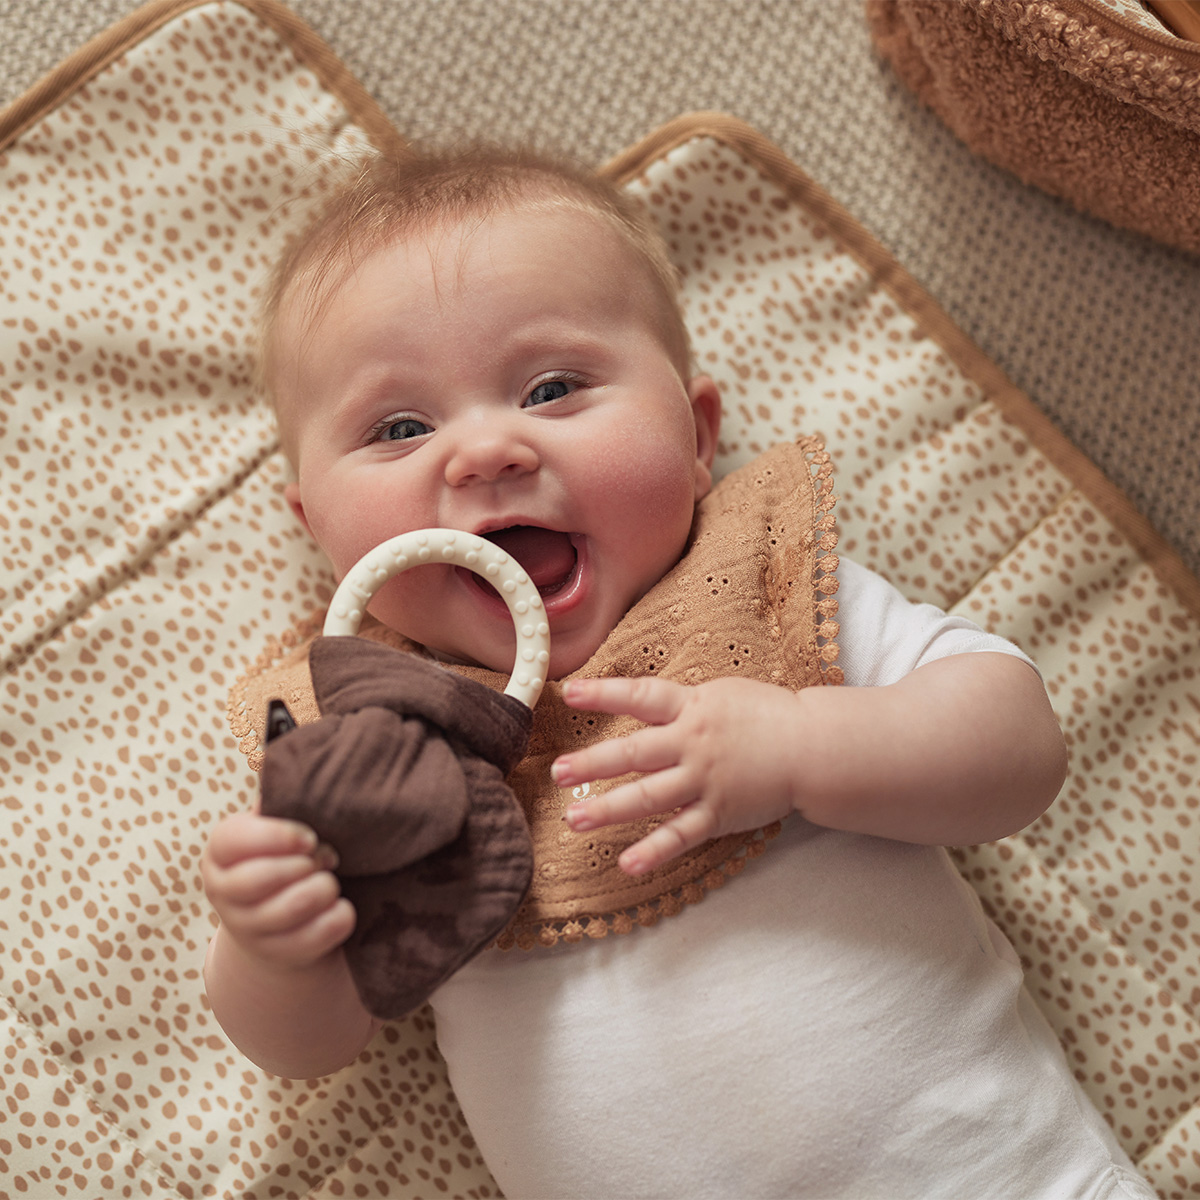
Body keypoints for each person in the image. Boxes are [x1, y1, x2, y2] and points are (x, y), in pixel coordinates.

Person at [201, 145, 1154, 1199]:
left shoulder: (762, 587)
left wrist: (798, 747)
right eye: (400, 429)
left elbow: (1020, 749)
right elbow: (307, 1046)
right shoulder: (365, 748)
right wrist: (274, 946)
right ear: (320, 528)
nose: (484, 452)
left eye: (553, 388)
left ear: (698, 437)